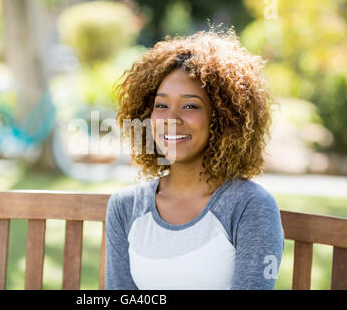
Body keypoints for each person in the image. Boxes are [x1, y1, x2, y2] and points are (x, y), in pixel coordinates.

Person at [104, 27, 285, 290]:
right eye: (161, 105)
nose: (171, 120)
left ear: (223, 118)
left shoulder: (251, 206)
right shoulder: (125, 207)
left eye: (190, 106)